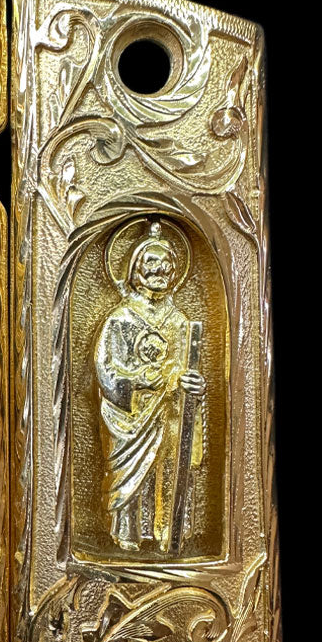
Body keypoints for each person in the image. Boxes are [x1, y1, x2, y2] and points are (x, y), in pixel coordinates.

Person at [94, 222, 205, 551]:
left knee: (169, 468)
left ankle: (166, 534)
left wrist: (195, 386)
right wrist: (143, 380)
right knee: (133, 475)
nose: (160, 269)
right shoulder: (120, 320)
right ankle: (127, 536)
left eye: (166, 263)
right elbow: (105, 371)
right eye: (151, 262)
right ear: (135, 270)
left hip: (169, 417)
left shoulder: (179, 322)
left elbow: (190, 373)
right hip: (131, 420)